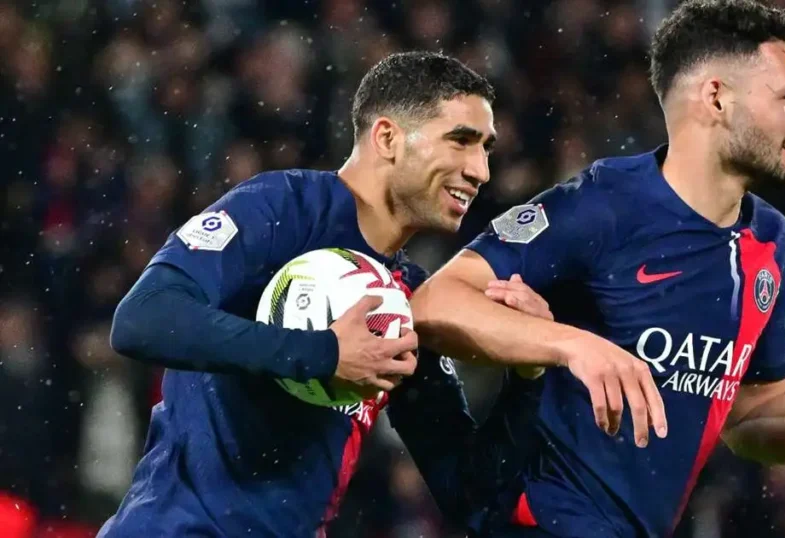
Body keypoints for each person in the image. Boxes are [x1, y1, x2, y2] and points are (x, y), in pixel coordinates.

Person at [411, 2, 785, 537]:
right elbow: (434, 304)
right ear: (716, 98)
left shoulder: (770, 241)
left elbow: (752, 415)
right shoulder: (603, 204)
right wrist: (571, 344)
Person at [98, 51, 549, 538]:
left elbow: (473, 498)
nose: (480, 170)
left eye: (486, 148)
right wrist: (325, 354)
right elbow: (143, 318)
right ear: (387, 138)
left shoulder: (409, 300)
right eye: (461, 141)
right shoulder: (283, 210)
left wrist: (528, 373)